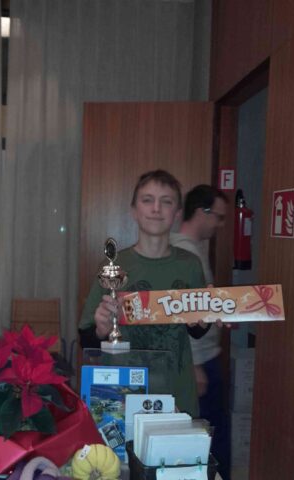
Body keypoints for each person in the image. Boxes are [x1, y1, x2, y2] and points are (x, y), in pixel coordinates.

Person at [78, 170, 209, 418]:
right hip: (121, 394)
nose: (156, 208)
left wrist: (208, 316)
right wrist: (101, 329)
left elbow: (197, 330)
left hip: (176, 392)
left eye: (166, 201)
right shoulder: (113, 266)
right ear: (134, 211)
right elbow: (87, 338)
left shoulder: (190, 264)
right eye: (147, 200)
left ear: (177, 213)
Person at [170, 184, 230, 479]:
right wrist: (193, 365)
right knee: (209, 438)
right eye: (218, 217)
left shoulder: (190, 249)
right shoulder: (185, 252)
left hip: (205, 357)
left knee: (212, 434)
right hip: (199, 362)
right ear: (201, 212)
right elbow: (182, 315)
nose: (220, 224)